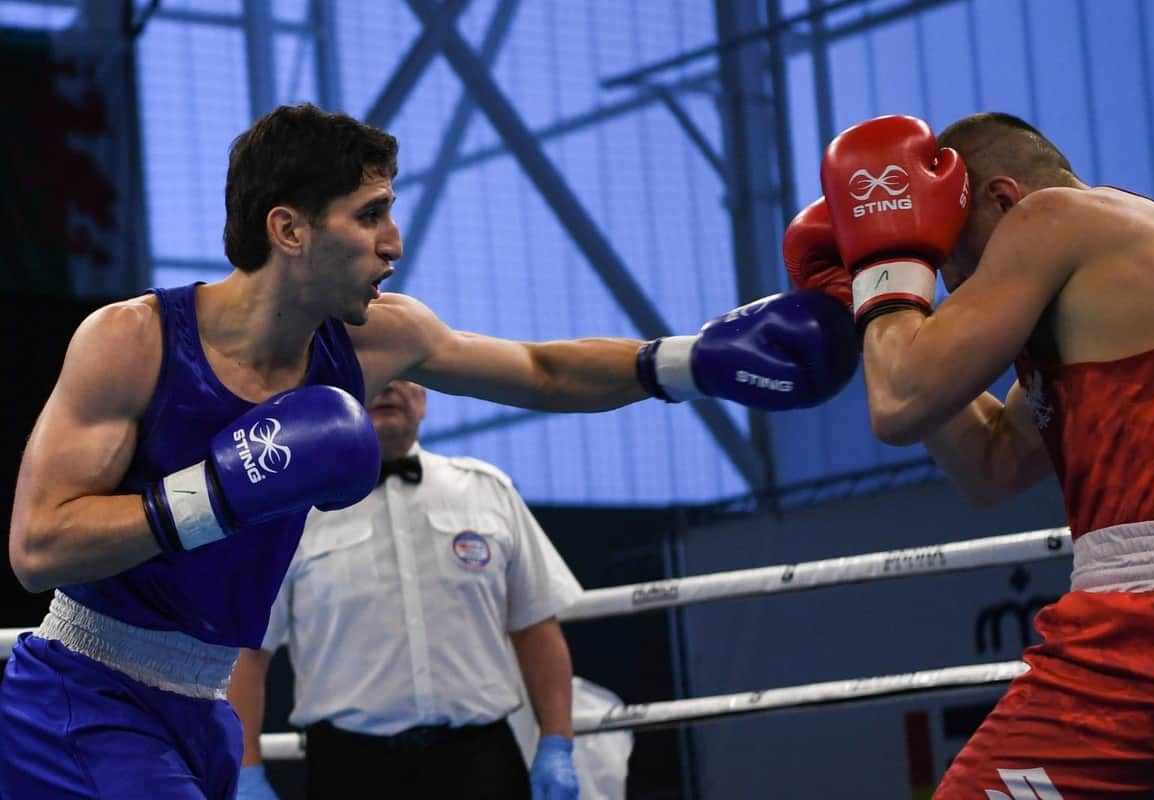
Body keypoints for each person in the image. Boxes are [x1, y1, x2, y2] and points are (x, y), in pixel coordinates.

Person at [1, 102, 858, 799]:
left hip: (205, 708)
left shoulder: (378, 338)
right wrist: (216, 493)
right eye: (370, 215)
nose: (393, 243)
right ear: (289, 230)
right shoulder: (133, 341)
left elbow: (542, 372)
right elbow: (38, 547)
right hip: (87, 689)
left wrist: (686, 362)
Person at [785, 111, 1154, 797]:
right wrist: (869, 312)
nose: (948, 287)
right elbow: (992, 462)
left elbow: (898, 402)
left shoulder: (1055, 218)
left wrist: (884, 268)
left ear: (1002, 200)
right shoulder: (1130, 270)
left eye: (946, 255)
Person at [230, 379, 584, 800]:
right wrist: (245, 770)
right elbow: (249, 653)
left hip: (481, 761)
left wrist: (557, 742)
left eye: (406, 373)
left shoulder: (488, 490)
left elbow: (536, 627)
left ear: (424, 400)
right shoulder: (297, 512)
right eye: (377, 375)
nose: (390, 386)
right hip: (350, 770)